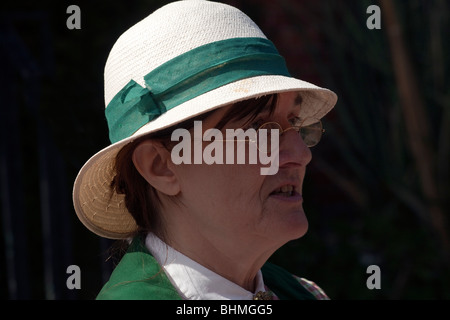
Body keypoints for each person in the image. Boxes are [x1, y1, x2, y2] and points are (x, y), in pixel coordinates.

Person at [72, 0, 337, 300]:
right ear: (161, 166)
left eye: (294, 122)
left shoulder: (305, 294)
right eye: (257, 130)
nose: (302, 154)